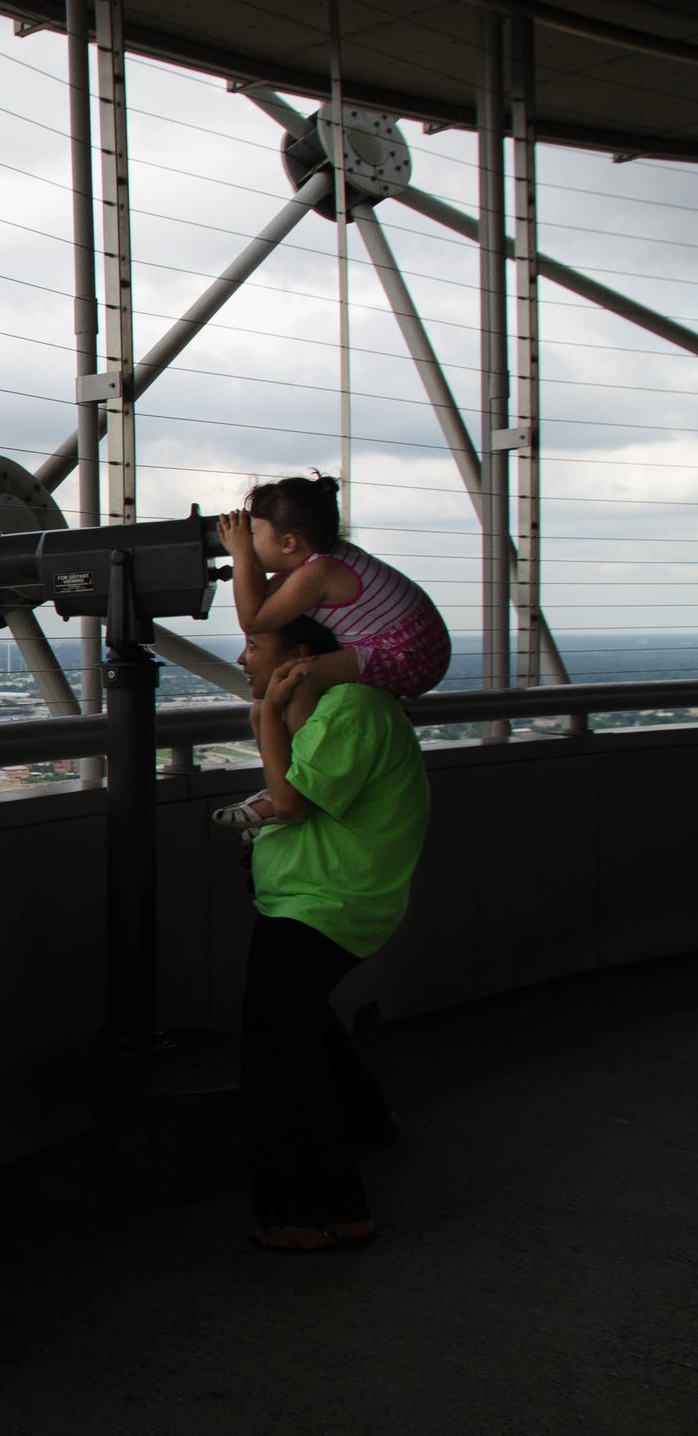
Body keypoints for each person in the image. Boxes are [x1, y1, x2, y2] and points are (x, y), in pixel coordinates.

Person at [234, 613, 430, 1252]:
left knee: (278, 1053)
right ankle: (368, 1118)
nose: (242, 657)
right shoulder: (336, 709)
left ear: (298, 654)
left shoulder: (351, 709)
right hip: (318, 899)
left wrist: (265, 713)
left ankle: (323, 1211)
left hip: (323, 904)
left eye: (254, 646)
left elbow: (288, 802)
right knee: (298, 1021)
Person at [212, 473, 447, 829]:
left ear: (288, 542)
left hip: (408, 655)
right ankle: (285, 786)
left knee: (300, 677)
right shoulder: (318, 561)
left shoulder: (320, 572)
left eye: (254, 535)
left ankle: (301, 780)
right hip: (408, 646)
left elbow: (255, 619)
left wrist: (242, 557)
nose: (247, 541)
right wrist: (247, 559)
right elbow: (265, 605)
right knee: (281, 692)